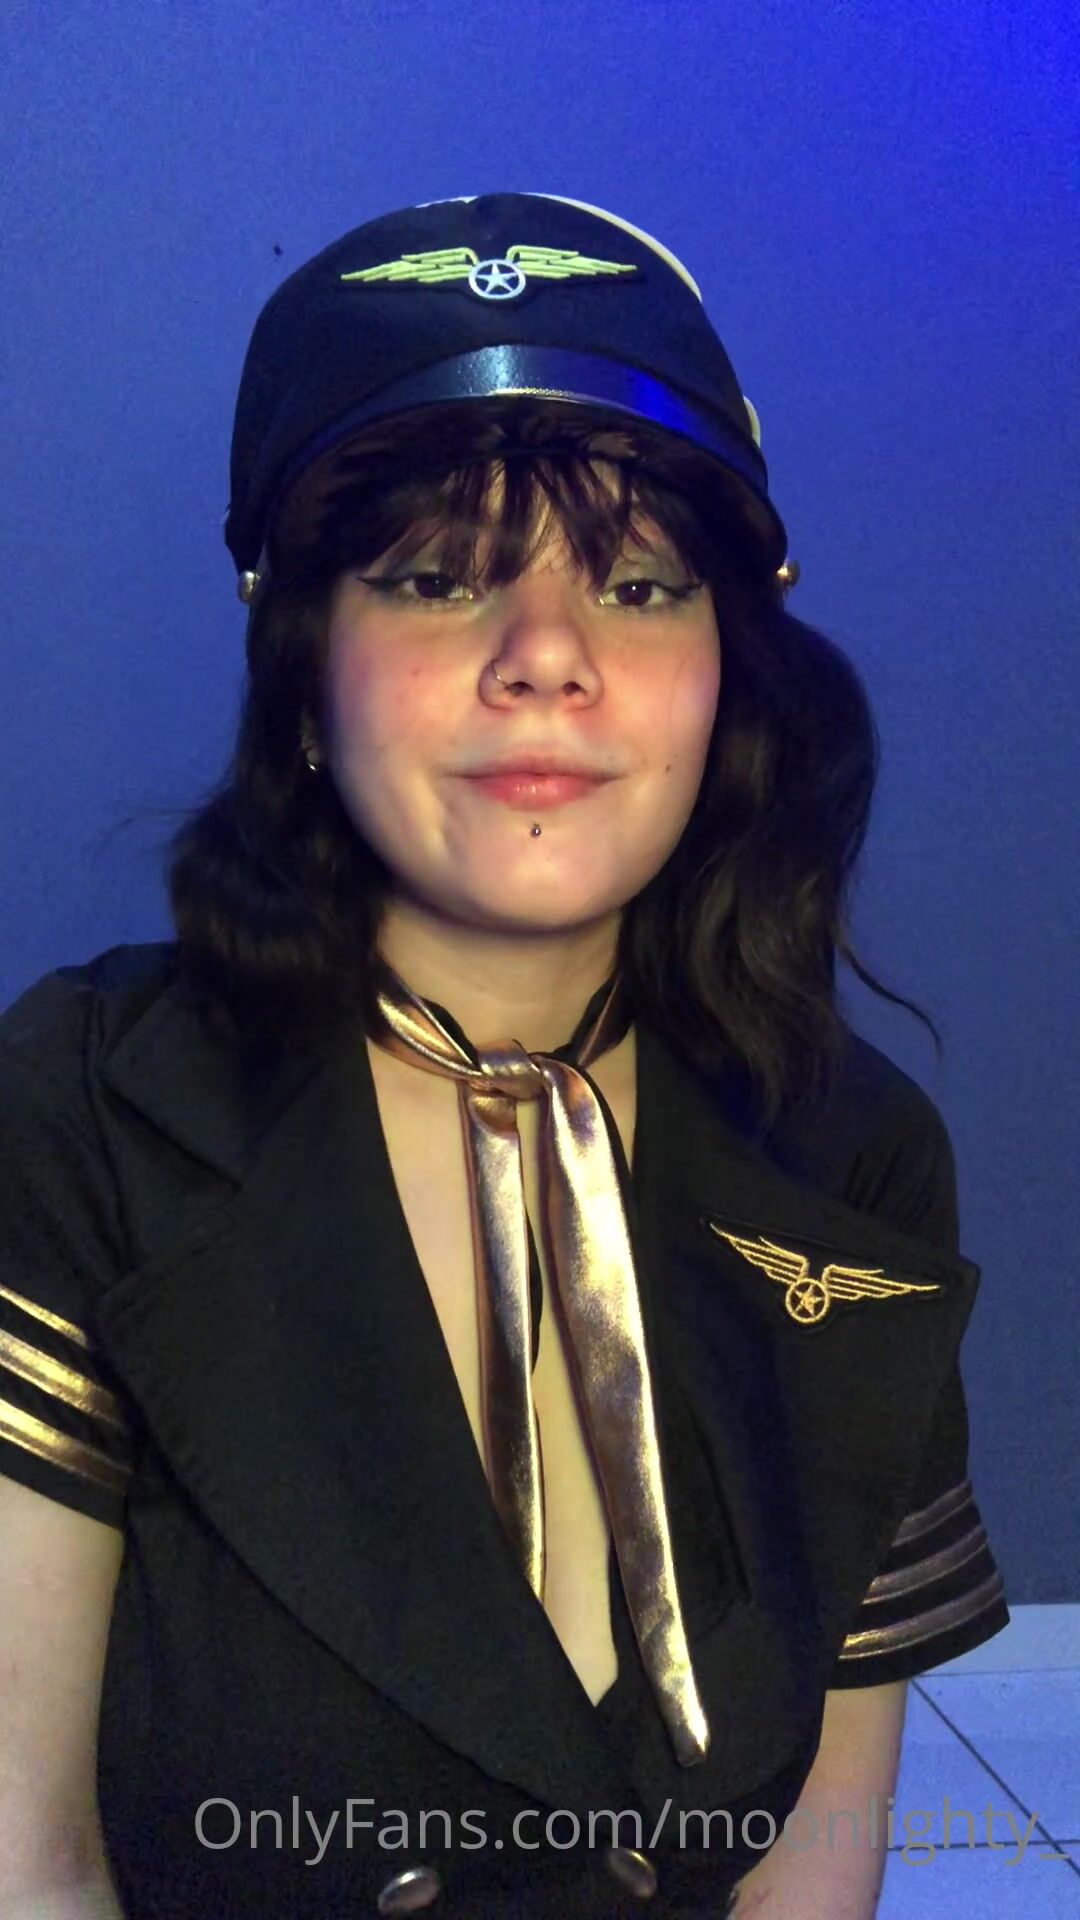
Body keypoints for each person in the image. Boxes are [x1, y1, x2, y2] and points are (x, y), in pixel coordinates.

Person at [0, 192, 1009, 1920]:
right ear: (301, 668)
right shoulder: (80, 1112)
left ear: (726, 676)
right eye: (436, 578)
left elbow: (819, 1848)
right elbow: (28, 1857)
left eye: (639, 585)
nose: (546, 658)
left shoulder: (854, 1151)